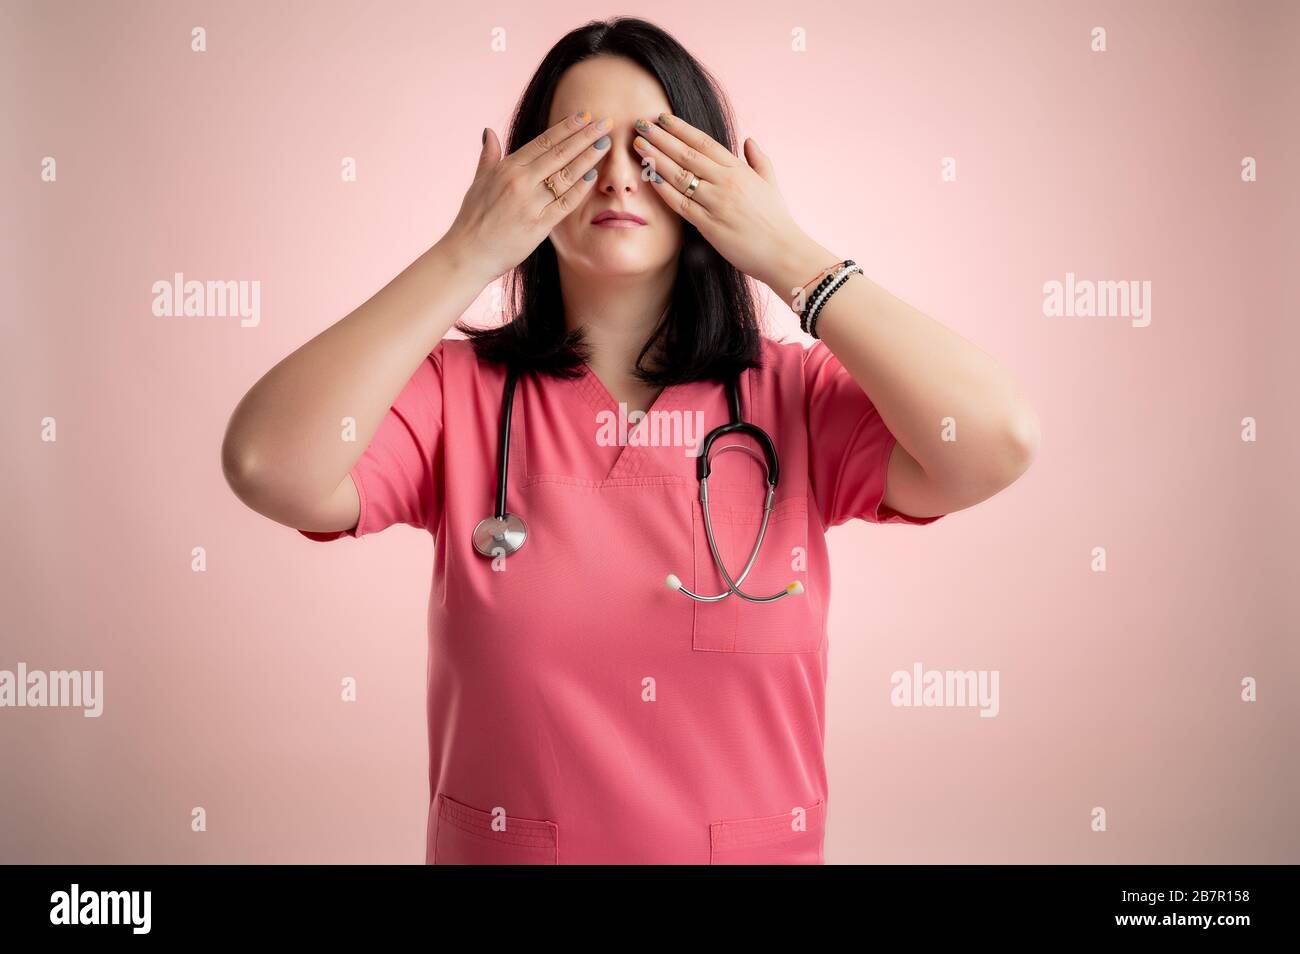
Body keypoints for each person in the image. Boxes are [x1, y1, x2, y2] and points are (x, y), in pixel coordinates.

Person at [221, 17, 1039, 864]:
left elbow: (996, 440)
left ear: (712, 176)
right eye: (579, 151)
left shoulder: (793, 398)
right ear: (524, 180)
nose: (616, 178)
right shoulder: (453, 399)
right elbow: (266, 464)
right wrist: (466, 253)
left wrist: (791, 255)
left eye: (654, 150)